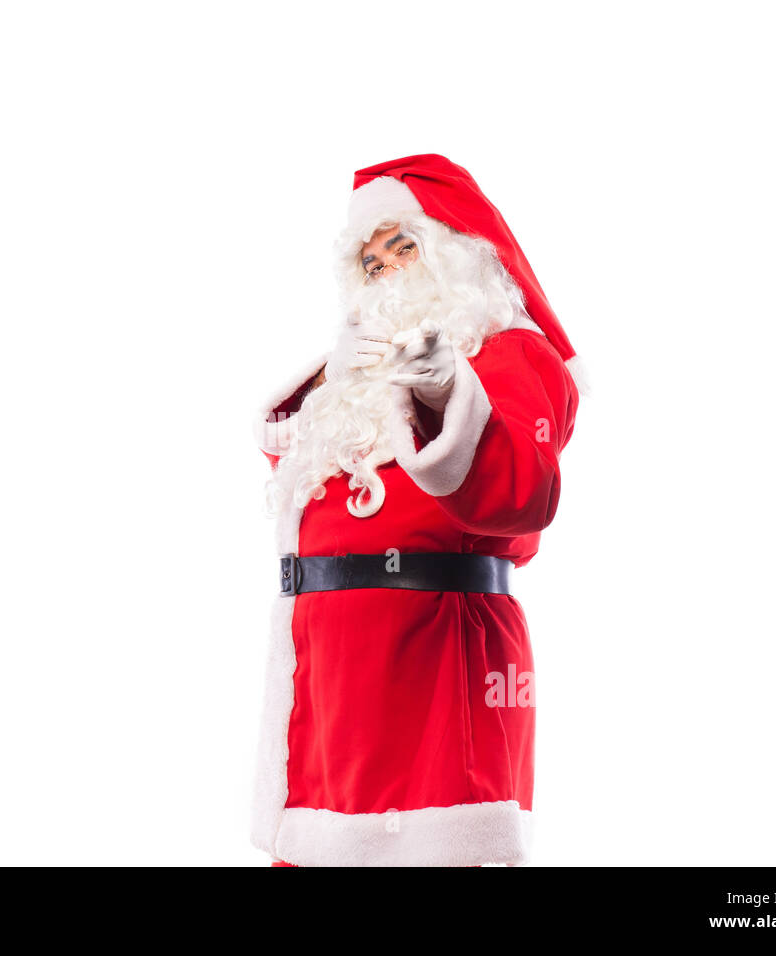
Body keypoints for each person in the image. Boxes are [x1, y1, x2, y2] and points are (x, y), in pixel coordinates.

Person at [249, 153, 585, 867]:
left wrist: (444, 396)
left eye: (404, 244)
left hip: (435, 655)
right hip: (328, 666)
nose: (389, 270)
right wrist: (333, 386)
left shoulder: (514, 354)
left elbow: (522, 495)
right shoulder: (357, 365)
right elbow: (310, 475)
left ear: (455, 252)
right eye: (371, 263)